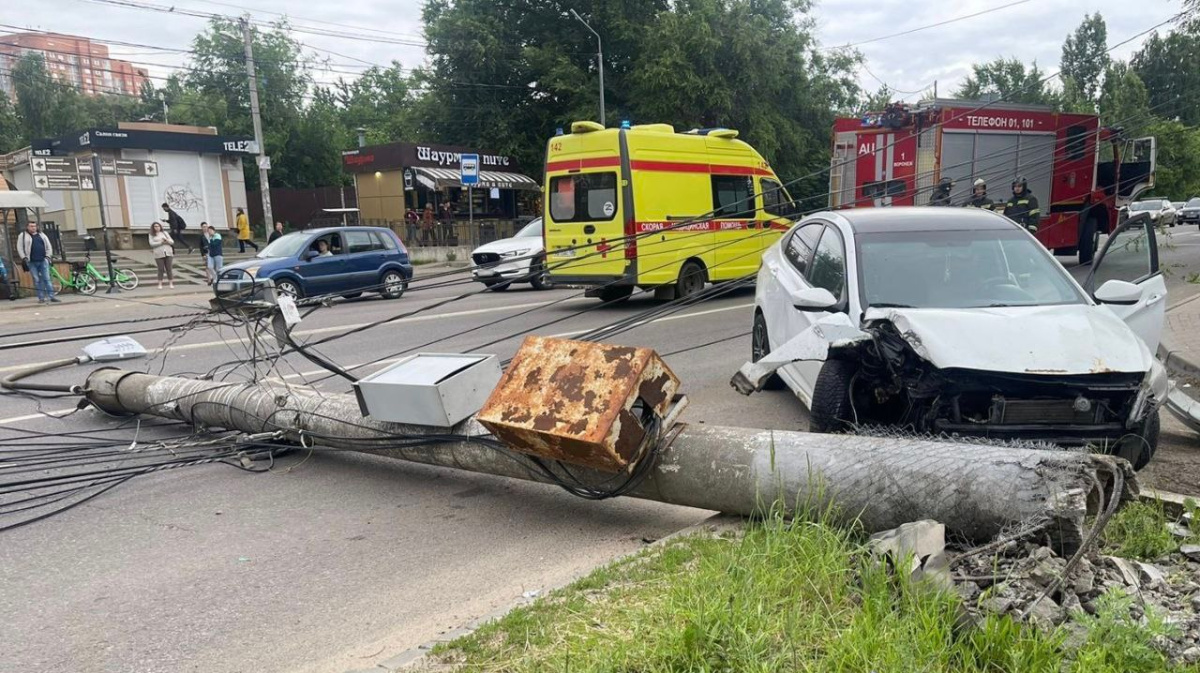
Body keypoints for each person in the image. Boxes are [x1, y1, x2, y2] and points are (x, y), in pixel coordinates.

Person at [17, 221, 59, 304]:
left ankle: (52, 296)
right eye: (31, 226)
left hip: (43, 260)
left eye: (34, 226)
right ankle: (41, 297)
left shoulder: (42, 235)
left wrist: (47, 256)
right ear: (27, 227)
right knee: (37, 280)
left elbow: (48, 246)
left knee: (47, 279)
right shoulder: (23, 235)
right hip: (31, 261)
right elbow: (20, 247)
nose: (33, 228)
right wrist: (24, 257)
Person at [148, 221, 176, 289]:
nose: (157, 228)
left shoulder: (165, 233)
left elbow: (172, 242)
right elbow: (151, 244)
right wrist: (160, 242)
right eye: (155, 226)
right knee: (160, 269)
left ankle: (171, 283)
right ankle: (160, 284)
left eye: (158, 226)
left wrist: (166, 240)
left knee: (169, 268)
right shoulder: (151, 235)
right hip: (158, 253)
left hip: (168, 252)